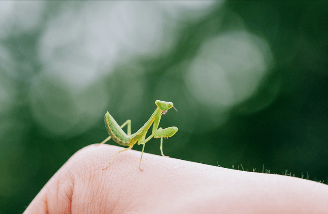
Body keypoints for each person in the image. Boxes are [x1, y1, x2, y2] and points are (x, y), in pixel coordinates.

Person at [24, 144, 328, 213]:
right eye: (164, 107)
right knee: (115, 149)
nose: (167, 109)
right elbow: (137, 143)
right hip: (123, 143)